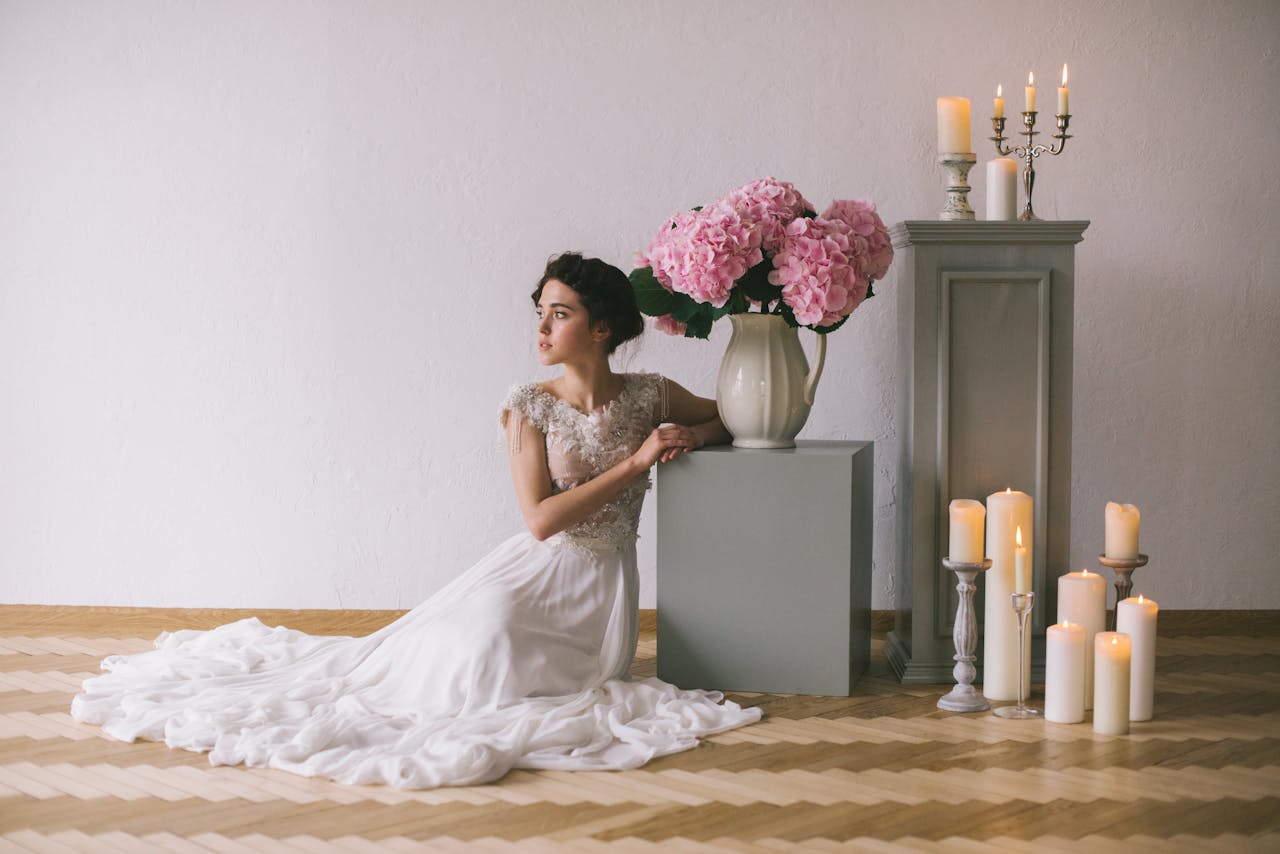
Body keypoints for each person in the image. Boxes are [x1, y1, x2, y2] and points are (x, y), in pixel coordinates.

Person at [70, 251, 763, 789]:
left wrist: (687, 438)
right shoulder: (528, 403)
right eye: (540, 312)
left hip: (602, 597)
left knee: (509, 665)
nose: (541, 327)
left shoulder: (649, 393)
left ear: (602, 328)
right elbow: (540, 521)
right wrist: (637, 462)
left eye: (559, 313)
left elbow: (731, 416)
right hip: (535, 571)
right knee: (471, 648)